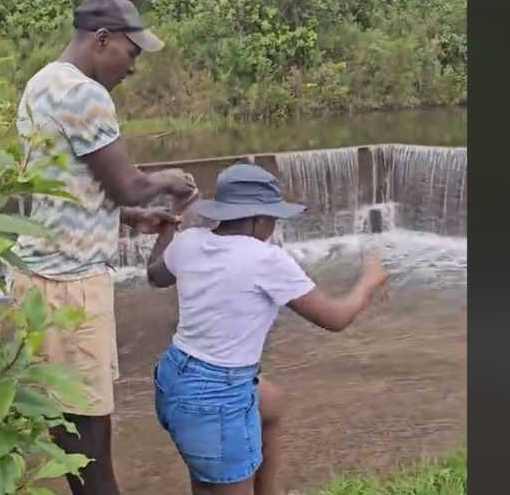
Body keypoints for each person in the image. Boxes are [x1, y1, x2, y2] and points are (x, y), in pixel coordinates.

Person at [9, 0, 199, 495]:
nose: (133, 67)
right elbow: (128, 184)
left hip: (35, 279)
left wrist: (132, 216)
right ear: (101, 40)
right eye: (131, 52)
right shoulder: (88, 95)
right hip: (73, 284)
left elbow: (72, 183)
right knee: (93, 438)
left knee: (67, 429)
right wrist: (170, 182)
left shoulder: (40, 83)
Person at [146, 163, 391, 495]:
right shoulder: (266, 259)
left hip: (173, 376)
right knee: (216, 481)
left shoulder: (187, 241)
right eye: (273, 219)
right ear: (258, 220)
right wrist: (368, 281)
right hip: (217, 395)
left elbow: (155, 275)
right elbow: (335, 318)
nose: (274, 227)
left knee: (271, 403)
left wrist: (166, 231)